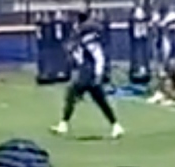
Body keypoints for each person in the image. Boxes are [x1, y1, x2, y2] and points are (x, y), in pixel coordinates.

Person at [52, 11, 123, 140]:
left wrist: (98, 74)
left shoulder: (87, 38)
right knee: (100, 101)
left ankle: (64, 124)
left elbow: (98, 56)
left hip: (88, 73)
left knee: (72, 93)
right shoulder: (83, 38)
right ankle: (116, 125)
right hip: (87, 72)